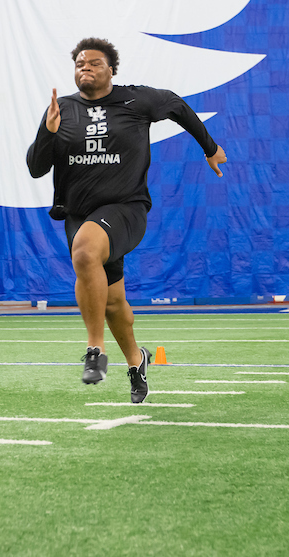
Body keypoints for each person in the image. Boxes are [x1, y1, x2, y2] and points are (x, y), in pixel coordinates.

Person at [27, 37, 226, 404]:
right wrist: (48, 131)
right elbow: (36, 169)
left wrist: (209, 147)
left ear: (112, 70)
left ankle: (94, 349)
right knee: (113, 302)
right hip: (79, 214)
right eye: (79, 64)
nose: (85, 67)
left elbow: (178, 106)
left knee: (85, 252)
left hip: (127, 209)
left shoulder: (136, 100)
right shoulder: (62, 110)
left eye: (94, 63)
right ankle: (137, 361)